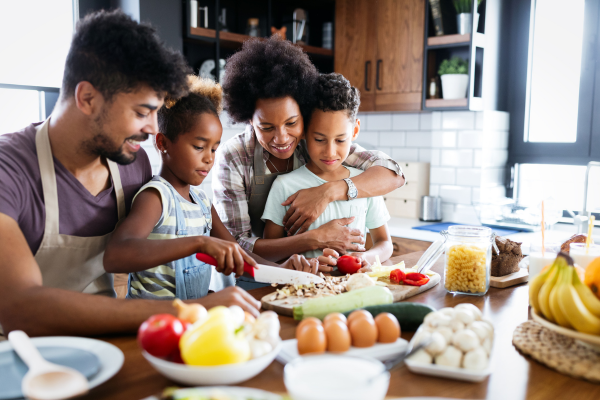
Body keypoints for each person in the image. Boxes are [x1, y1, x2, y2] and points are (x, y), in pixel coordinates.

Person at [0, 10, 260, 337]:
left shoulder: (131, 164)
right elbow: (18, 309)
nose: (152, 130)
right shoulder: (8, 169)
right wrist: (191, 309)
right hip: (23, 353)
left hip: (110, 338)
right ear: (87, 98)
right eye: (142, 112)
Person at [104, 76, 318, 300]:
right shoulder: (156, 197)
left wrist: (283, 270)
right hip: (153, 323)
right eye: (199, 147)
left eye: (214, 149)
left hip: (191, 320)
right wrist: (199, 243)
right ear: (163, 143)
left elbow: (239, 253)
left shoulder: (202, 202)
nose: (209, 159)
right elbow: (116, 255)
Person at [215, 37, 405, 274]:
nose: (282, 138)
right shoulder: (234, 157)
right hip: (250, 275)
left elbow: (393, 174)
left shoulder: (317, 143)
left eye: (291, 123)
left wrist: (327, 192)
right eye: (266, 127)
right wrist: (314, 239)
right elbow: (236, 244)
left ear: (303, 119)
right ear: (248, 119)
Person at [262, 73, 393, 269]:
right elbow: (269, 254)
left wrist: (368, 258)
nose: (330, 152)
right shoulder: (285, 185)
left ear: (355, 131)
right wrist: (305, 264)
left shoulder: (365, 184)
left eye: (340, 140)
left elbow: (385, 243)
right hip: (302, 291)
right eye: (320, 139)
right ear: (304, 131)